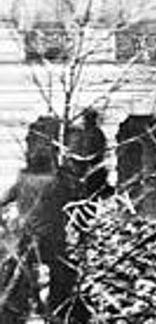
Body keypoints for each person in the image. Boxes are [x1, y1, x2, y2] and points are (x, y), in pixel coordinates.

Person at [0, 147, 76, 322]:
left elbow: (3, 200)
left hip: (26, 240)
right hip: (52, 241)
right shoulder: (57, 182)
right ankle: (59, 309)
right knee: (62, 276)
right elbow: (73, 197)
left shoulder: (22, 181)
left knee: (14, 276)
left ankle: (17, 308)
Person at [66, 107, 108, 201]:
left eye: (90, 118)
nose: (87, 121)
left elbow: (100, 151)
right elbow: (72, 148)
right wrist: (72, 155)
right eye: (86, 118)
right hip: (77, 166)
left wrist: (89, 159)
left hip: (92, 166)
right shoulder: (77, 132)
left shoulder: (98, 133)